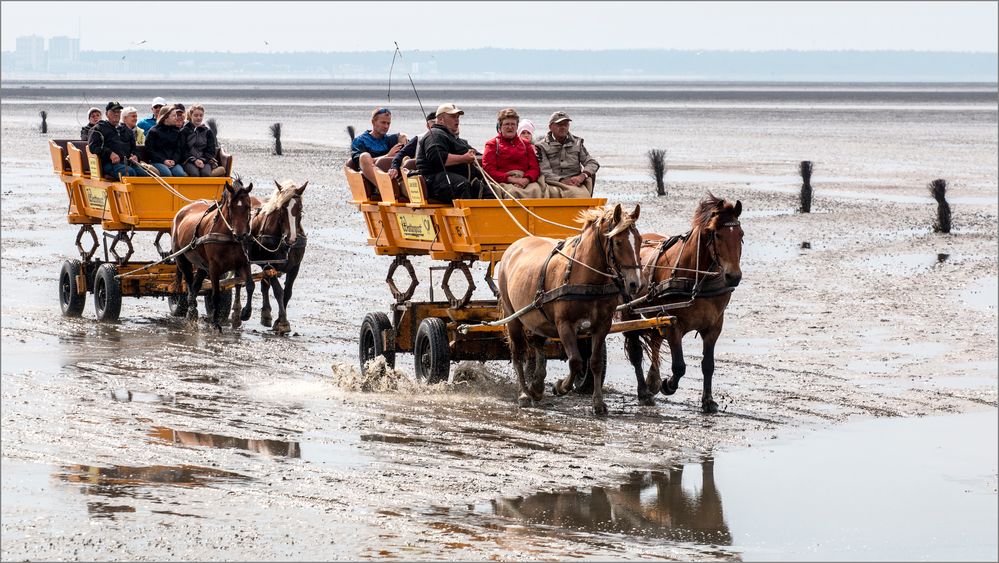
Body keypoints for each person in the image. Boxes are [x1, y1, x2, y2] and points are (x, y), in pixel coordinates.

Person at [416, 103, 489, 203]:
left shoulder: (456, 139)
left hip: (454, 177)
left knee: (486, 190)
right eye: (453, 117)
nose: (457, 119)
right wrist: (464, 158)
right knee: (462, 185)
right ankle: (467, 217)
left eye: (458, 117)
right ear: (441, 119)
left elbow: (477, 155)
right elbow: (437, 158)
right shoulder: (435, 134)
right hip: (433, 180)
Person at [535, 111, 600, 198]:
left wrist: (582, 176)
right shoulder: (541, 146)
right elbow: (545, 171)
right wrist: (562, 180)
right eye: (559, 125)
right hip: (552, 182)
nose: (563, 127)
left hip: (575, 182)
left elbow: (592, 163)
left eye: (565, 124)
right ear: (550, 127)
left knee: (587, 181)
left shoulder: (577, 143)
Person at [482, 108, 542, 199]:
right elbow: (489, 170)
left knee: (537, 190)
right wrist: (511, 179)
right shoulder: (492, 144)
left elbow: (534, 168)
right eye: (507, 124)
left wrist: (526, 179)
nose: (510, 127)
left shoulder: (525, 144)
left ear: (517, 126)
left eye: (513, 124)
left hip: (525, 180)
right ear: (500, 126)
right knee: (512, 193)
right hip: (504, 181)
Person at [87, 101, 147, 178]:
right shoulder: (98, 129)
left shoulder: (127, 130)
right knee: (130, 172)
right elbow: (93, 147)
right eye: (113, 111)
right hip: (109, 164)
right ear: (106, 114)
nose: (116, 114)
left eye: (118, 112)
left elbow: (134, 148)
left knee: (145, 173)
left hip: (127, 163)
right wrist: (110, 153)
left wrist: (136, 156)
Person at [350, 107, 407, 186]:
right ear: (373, 122)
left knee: (404, 138)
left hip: (391, 173)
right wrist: (387, 156)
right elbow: (359, 162)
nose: (386, 126)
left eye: (388, 123)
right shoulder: (360, 141)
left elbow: (402, 137)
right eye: (383, 123)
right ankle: (383, 186)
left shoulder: (390, 139)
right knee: (364, 156)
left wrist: (402, 140)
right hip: (370, 178)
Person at [178, 104, 225, 177]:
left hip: (204, 160)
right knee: (194, 173)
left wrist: (202, 160)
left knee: (206, 173)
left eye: (201, 115)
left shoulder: (208, 132)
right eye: (196, 115)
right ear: (191, 116)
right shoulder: (184, 131)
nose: (198, 118)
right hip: (188, 160)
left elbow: (210, 150)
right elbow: (183, 149)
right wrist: (194, 160)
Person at [389, 111, 435, 180]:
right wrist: (394, 168)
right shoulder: (419, 139)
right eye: (434, 123)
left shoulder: (451, 138)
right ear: (428, 125)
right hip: (422, 177)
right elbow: (401, 154)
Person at [144, 104, 187, 177]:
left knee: (180, 174)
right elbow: (149, 150)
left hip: (173, 162)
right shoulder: (153, 132)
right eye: (173, 116)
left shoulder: (177, 132)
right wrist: (163, 161)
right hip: (157, 161)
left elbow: (179, 149)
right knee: (167, 173)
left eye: (176, 115)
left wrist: (174, 160)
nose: (176, 118)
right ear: (165, 118)